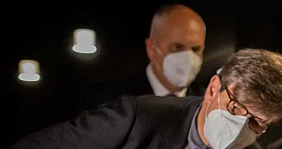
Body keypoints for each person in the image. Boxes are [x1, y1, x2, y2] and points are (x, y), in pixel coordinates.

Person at [5, 48, 282, 149]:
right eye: (236, 107)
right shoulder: (138, 117)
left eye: (258, 122)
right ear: (213, 88)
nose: (241, 126)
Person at [78, 4, 207, 112]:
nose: (188, 58)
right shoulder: (107, 99)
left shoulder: (207, 103)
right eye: (177, 47)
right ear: (151, 48)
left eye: (196, 49)